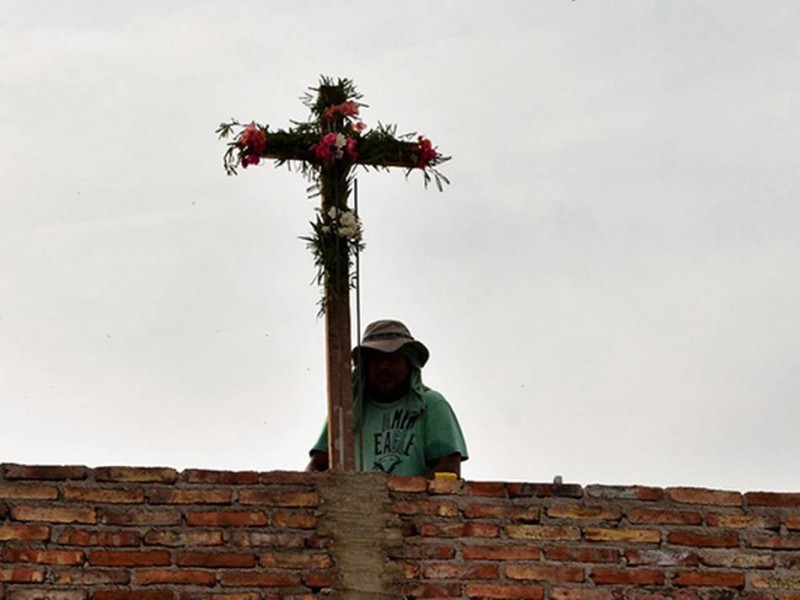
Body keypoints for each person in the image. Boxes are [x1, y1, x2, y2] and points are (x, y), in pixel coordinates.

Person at [307, 319, 468, 477]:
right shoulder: (346, 411)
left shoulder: (431, 404)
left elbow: (448, 468)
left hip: (413, 503)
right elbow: (317, 466)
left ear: (409, 362)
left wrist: (403, 497)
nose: (384, 367)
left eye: (393, 358)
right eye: (376, 359)